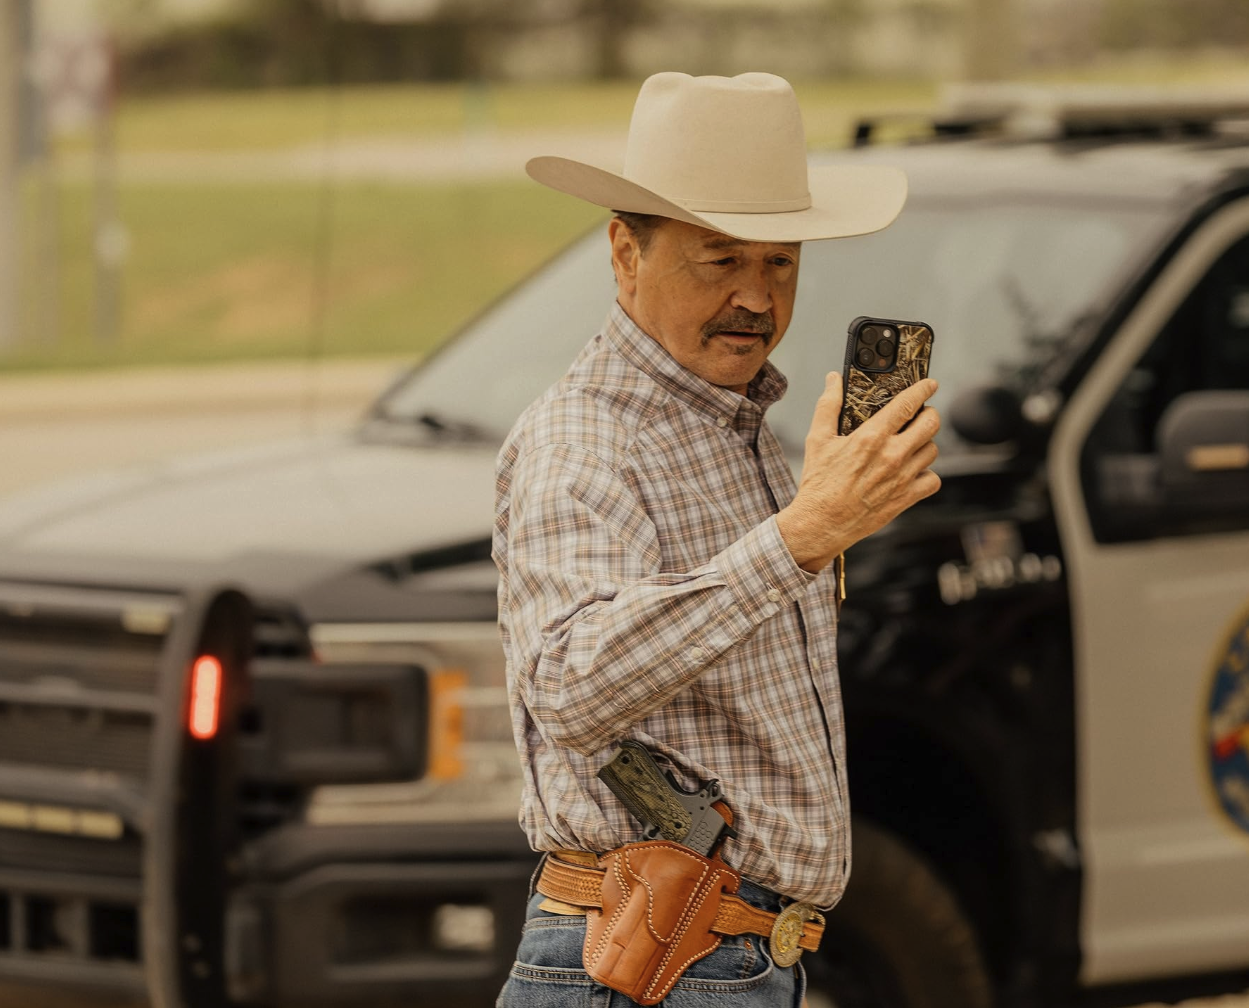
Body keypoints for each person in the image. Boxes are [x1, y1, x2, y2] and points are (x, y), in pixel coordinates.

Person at [493, 71, 941, 1007]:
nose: (755, 296)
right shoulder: (585, 441)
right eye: (719, 259)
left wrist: (818, 523)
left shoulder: (740, 426)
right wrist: (801, 536)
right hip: (652, 961)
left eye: (779, 263)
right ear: (625, 251)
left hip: (711, 957)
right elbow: (569, 685)